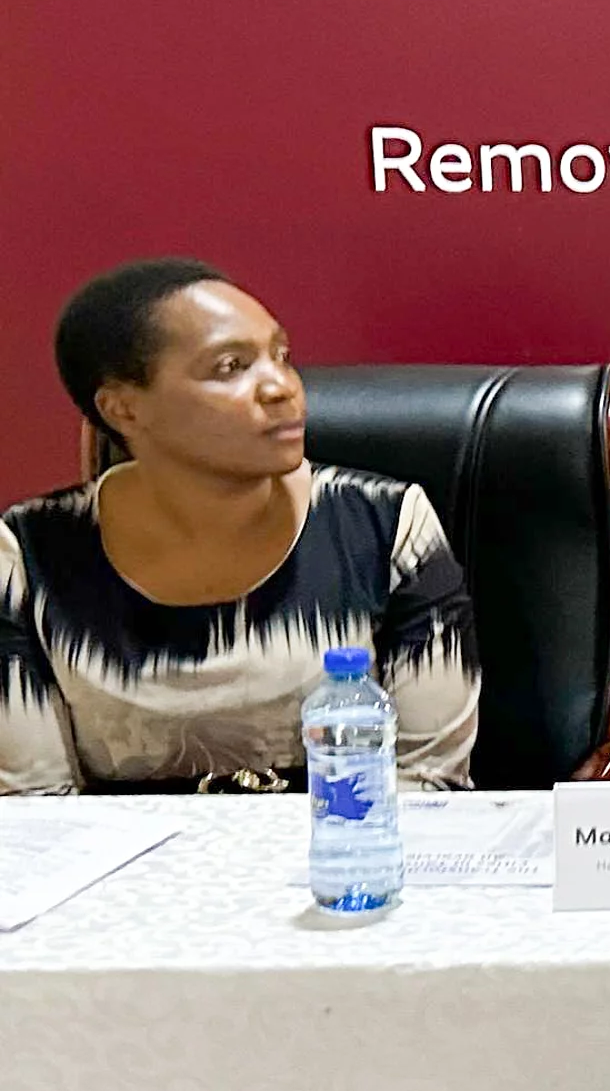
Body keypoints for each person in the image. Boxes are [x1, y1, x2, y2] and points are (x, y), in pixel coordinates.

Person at [0, 259, 480, 795]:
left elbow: (429, 783)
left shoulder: (384, 524)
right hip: (125, 874)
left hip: (345, 856)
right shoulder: (28, 552)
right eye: (231, 367)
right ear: (124, 409)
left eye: (282, 356)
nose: (280, 387)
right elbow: (34, 807)